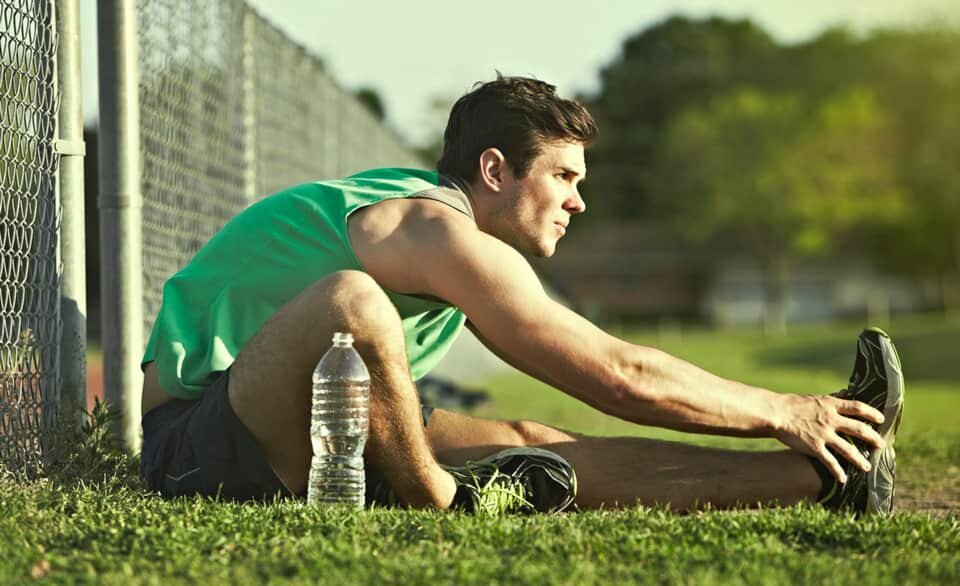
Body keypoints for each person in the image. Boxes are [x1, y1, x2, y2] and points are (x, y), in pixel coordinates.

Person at [138, 75, 904, 516]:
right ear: (496, 170)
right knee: (350, 302)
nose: (577, 202)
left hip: (312, 432)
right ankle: (436, 498)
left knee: (530, 440)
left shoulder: (451, 238)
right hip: (196, 447)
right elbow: (613, 374)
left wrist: (804, 441)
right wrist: (781, 408)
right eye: (563, 177)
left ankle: (828, 480)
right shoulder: (434, 229)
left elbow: (600, 372)